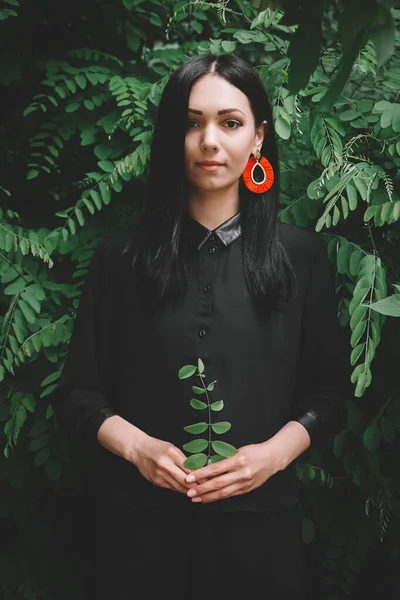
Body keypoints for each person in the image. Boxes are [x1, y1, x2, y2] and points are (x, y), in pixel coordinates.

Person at [51, 53, 351, 600]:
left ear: (258, 138)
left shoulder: (300, 257)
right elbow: (78, 394)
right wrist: (138, 448)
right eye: (192, 123)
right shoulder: (121, 257)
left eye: (230, 122)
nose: (210, 140)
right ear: (172, 137)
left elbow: (329, 394)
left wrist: (272, 456)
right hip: (137, 537)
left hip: (262, 534)